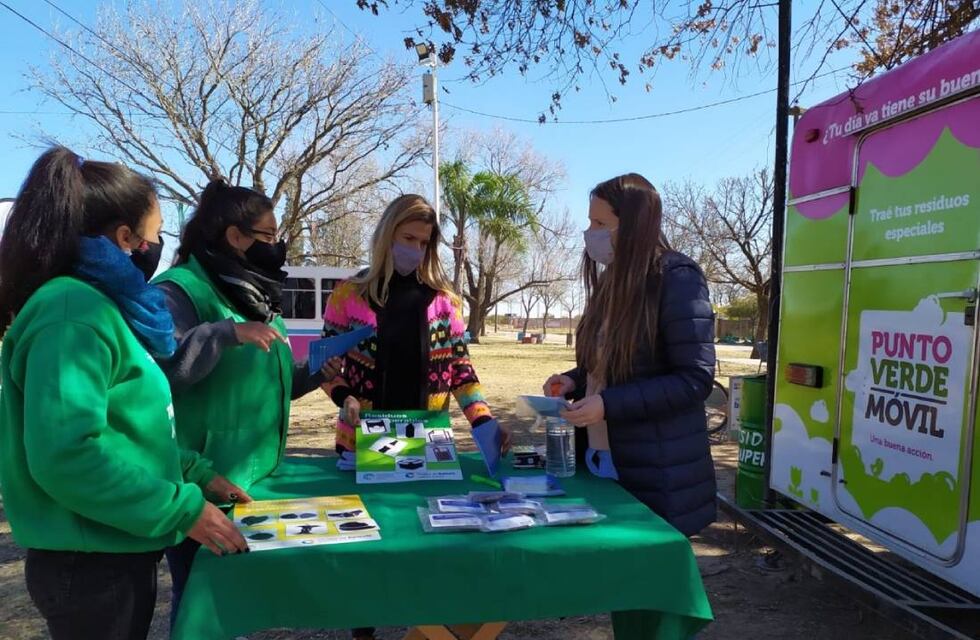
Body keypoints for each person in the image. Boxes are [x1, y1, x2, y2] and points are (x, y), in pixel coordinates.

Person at [0, 147, 246, 640]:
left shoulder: (99, 307)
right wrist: (182, 508)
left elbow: (129, 429)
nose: (158, 250)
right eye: (156, 236)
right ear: (124, 238)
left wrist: (194, 472)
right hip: (88, 563)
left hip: (111, 550)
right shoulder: (72, 312)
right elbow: (66, 455)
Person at [320, 194, 509, 640]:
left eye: (424, 242)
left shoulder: (445, 302)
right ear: (387, 236)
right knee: (364, 547)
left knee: (427, 543)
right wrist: (344, 396)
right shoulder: (349, 295)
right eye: (407, 238)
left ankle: (428, 631)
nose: (415, 249)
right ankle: (362, 630)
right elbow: (326, 366)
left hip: (427, 445)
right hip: (361, 446)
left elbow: (462, 370)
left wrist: (482, 418)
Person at [154, 179, 333, 625]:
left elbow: (266, 383)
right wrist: (223, 334)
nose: (278, 247)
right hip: (201, 481)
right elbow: (160, 374)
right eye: (269, 236)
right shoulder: (178, 291)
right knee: (199, 600)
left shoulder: (255, 296)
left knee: (232, 599)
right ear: (235, 236)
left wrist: (316, 374)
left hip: (253, 480)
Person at [545, 173, 717, 537]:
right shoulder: (611, 279)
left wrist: (609, 404)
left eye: (600, 223)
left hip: (654, 469)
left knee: (646, 583)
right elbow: (611, 360)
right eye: (589, 221)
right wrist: (574, 379)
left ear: (635, 224)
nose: (590, 232)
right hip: (600, 454)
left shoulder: (677, 278)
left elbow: (694, 378)